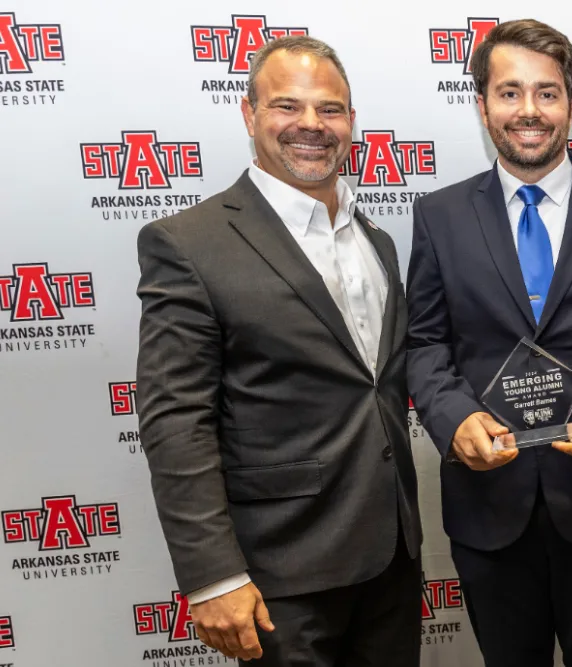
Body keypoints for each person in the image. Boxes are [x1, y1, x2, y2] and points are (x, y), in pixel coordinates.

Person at [134, 35, 421, 667]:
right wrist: (213, 576)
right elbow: (175, 420)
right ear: (249, 114)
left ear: (351, 121)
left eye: (331, 109)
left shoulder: (377, 238)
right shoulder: (189, 243)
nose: (312, 126)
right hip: (280, 577)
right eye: (288, 106)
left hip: (392, 560)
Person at [406, 18, 572, 667]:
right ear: (482, 105)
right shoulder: (438, 217)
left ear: (570, 103)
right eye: (510, 92)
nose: (529, 110)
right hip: (487, 510)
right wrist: (454, 417)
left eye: (547, 93)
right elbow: (423, 345)